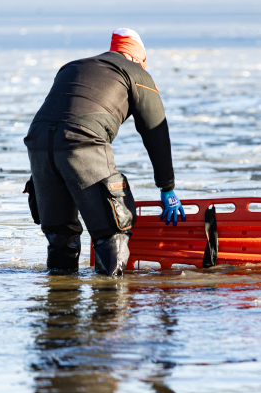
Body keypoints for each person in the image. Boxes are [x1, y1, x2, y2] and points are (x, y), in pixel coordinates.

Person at [23, 28, 186, 276]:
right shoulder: (136, 73)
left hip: (38, 143)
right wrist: (167, 187)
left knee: (60, 235)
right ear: (137, 57)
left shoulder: (72, 66)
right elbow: (156, 131)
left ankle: (58, 304)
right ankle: (111, 306)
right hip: (82, 140)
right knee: (112, 230)